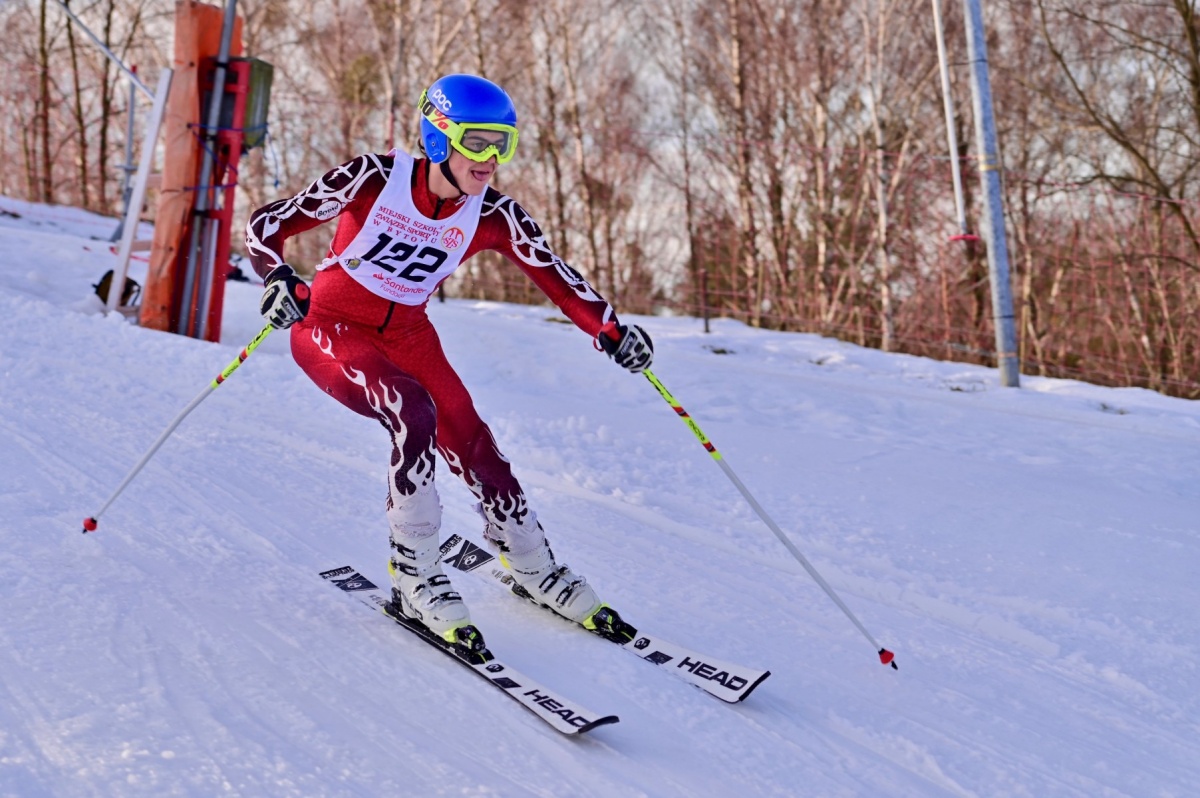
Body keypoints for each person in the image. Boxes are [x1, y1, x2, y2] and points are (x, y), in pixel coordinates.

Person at [245, 74, 653, 658]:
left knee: (472, 436)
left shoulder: (495, 215)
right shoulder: (375, 178)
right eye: (478, 142)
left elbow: (557, 279)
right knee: (412, 410)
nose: (490, 160)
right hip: (331, 325)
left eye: (503, 144)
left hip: (410, 332)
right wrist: (279, 277)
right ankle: (414, 571)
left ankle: (532, 564)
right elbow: (267, 224)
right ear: (438, 135)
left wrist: (611, 331)